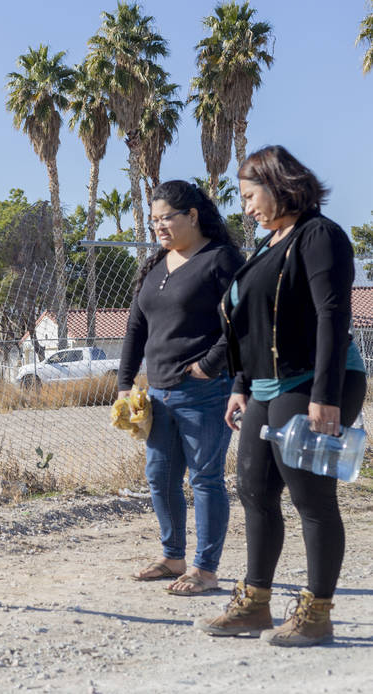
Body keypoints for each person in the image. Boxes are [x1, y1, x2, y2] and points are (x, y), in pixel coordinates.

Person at [196, 146, 366, 646]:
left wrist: (325, 396)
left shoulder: (320, 235)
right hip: (267, 386)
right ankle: (255, 604)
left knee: (311, 497)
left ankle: (317, 613)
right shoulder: (270, 244)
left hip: (314, 382)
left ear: (278, 183)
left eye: (250, 195)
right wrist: (241, 384)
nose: (246, 207)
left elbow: (333, 316)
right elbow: (250, 326)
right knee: (253, 491)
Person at [118, 180, 244, 594]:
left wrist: (208, 367)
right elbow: (136, 328)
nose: (159, 226)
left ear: (192, 215)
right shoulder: (156, 264)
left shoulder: (221, 259)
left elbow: (242, 323)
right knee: (160, 476)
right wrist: (124, 384)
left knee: (206, 479)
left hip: (205, 392)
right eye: (154, 220)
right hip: (158, 393)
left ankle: (205, 569)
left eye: (166, 218)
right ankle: (173, 558)